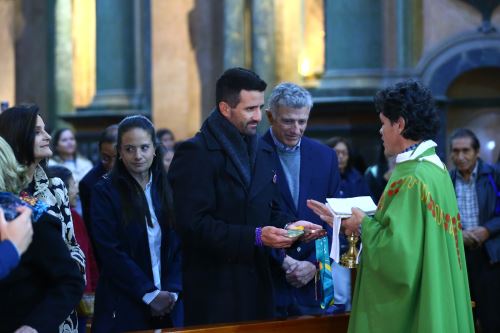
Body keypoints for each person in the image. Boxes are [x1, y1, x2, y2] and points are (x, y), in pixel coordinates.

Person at [168, 68, 324, 326]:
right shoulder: (195, 153)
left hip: (258, 290)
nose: (257, 117)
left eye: (259, 107)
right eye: (249, 109)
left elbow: (266, 208)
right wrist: (255, 236)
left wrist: (289, 226)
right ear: (225, 108)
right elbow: (192, 226)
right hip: (215, 291)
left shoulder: (261, 149)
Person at [339, 80, 474, 332]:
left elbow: (399, 253)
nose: (380, 131)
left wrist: (362, 225)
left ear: (399, 124)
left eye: (383, 122)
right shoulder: (436, 169)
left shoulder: (411, 177)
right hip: (438, 296)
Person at [90, 115, 182, 332]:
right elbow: (111, 251)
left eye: (144, 147)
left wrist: (171, 292)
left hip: (170, 303)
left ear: (155, 149)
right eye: (129, 149)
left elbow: (180, 244)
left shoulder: (168, 186)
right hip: (124, 303)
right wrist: (150, 295)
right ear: (119, 152)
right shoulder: (104, 192)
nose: (138, 155)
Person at [0, 104, 86, 333]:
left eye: (45, 130)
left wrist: (65, 264)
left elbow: (72, 245)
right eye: (37, 131)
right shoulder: (11, 197)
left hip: (49, 309)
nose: (47, 137)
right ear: (17, 137)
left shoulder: (49, 193)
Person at [262, 82, 340, 317]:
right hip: (268, 281)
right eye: (287, 121)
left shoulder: (325, 156)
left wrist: (314, 264)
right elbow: (248, 220)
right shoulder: (253, 154)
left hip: (315, 283)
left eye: (302, 121)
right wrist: (284, 261)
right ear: (270, 116)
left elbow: (335, 219)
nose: (296, 129)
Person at [449, 128, 500, 333]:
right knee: (462, 318)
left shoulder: (493, 175)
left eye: (466, 150)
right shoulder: (447, 179)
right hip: (458, 255)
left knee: (492, 319)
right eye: (455, 151)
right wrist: (457, 233)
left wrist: (487, 229)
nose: (460, 157)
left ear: (477, 152)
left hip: (489, 256)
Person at [48, 165, 99, 333]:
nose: (76, 190)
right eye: (72, 185)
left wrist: (92, 291)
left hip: (82, 301)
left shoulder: (75, 216)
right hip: (63, 302)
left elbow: (89, 256)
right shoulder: (54, 219)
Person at [79, 124, 118, 265]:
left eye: (117, 157)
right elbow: (92, 231)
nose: (111, 165)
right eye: (106, 158)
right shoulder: (89, 183)